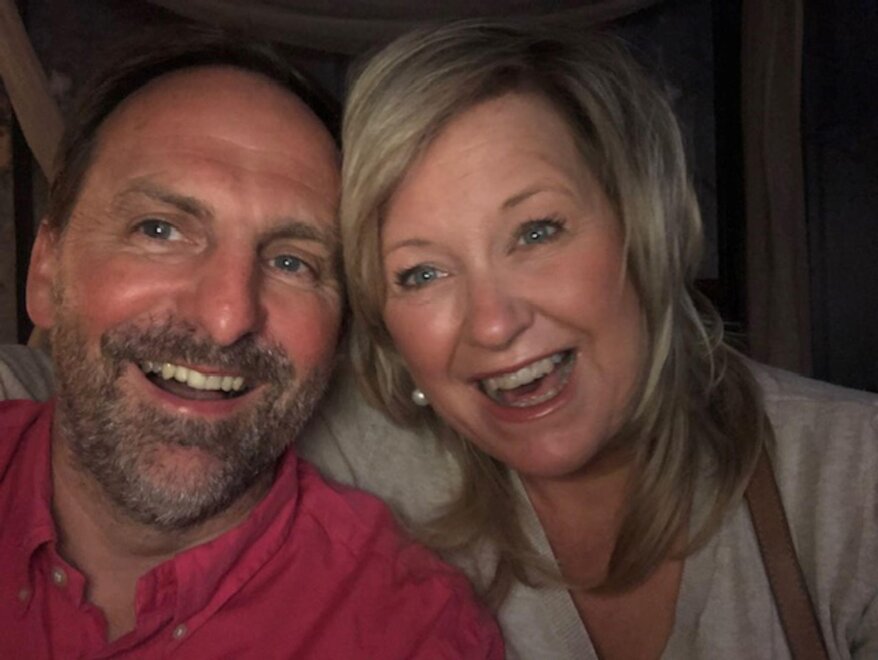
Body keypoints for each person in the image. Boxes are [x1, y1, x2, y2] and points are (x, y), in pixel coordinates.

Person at [318, 20, 876, 659]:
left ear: (641, 224)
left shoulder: (857, 480)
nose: (494, 323)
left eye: (536, 232)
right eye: (422, 273)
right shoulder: (346, 472)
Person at [0, 29, 503, 658]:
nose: (227, 318)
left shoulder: (412, 635)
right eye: (160, 231)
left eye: (293, 262)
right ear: (46, 271)